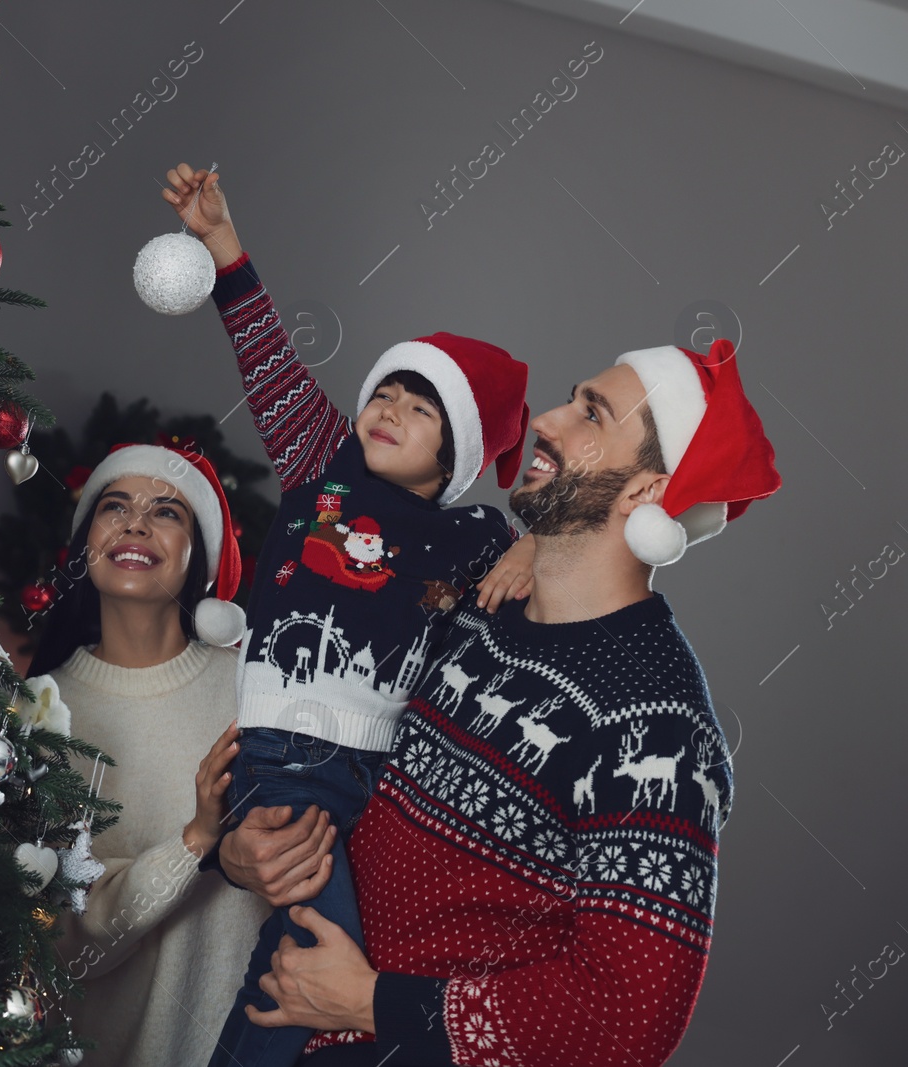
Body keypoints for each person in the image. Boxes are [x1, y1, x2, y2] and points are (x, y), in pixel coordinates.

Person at [227, 338, 781, 1066]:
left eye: (591, 414)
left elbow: (628, 1014)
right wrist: (238, 851)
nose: (547, 420)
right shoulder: (466, 609)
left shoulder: (661, 727)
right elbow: (331, 767)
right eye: (571, 396)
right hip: (286, 1021)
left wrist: (370, 1001)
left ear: (647, 490)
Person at [160, 163, 534, 1067]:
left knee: (310, 964)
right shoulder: (323, 474)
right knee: (337, 958)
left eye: (420, 408)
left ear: (459, 455)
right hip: (288, 755)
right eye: (385, 393)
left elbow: (564, 578)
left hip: (384, 776)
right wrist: (223, 247)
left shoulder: (472, 536)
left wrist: (535, 548)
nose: (390, 410)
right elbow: (270, 363)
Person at [33, 443, 272, 1067]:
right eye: (115, 506)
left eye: (167, 512)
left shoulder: (257, 682)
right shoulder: (39, 711)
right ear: (86, 545)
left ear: (199, 559)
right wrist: (197, 841)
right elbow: (62, 941)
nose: (135, 523)